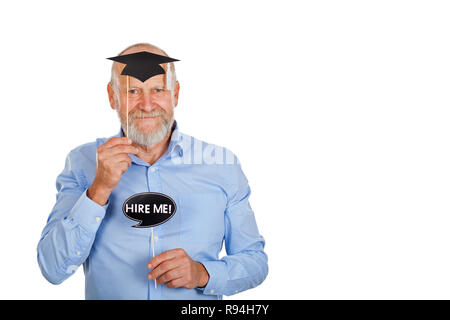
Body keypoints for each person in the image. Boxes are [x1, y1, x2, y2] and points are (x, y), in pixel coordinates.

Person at [37, 43, 268, 300]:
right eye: (132, 91)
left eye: (158, 89)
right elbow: (52, 268)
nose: (147, 105)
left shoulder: (222, 166)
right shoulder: (82, 163)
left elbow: (255, 261)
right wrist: (99, 189)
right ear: (112, 96)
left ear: (175, 94)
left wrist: (202, 273)